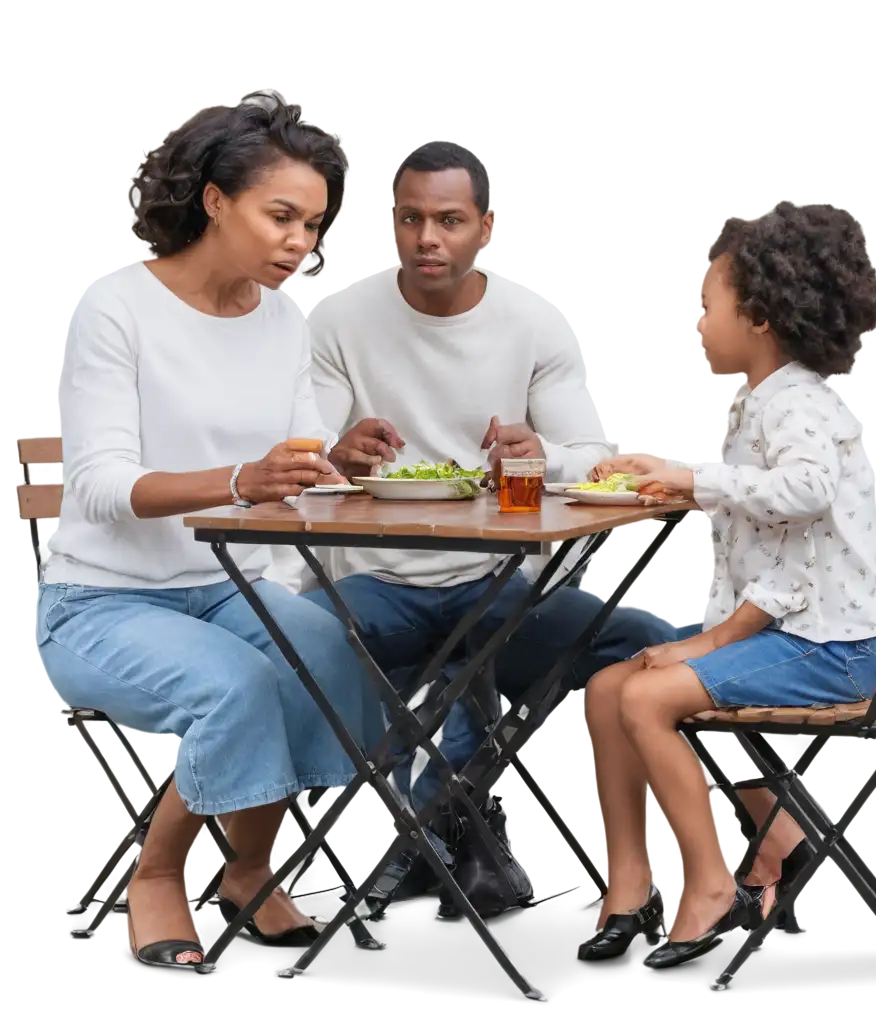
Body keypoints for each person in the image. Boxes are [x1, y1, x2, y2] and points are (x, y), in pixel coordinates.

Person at [265, 139, 680, 905]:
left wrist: (541, 452)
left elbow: (593, 454)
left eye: (449, 220)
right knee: (278, 645)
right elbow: (301, 452)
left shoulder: (536, 321)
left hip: (499, 583)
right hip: (377, 589)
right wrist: (335, 452)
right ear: (393, 223)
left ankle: (436, 826)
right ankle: (458, 822)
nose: (428, 238)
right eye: (411, 218)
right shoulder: (340, 320)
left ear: (485, 226)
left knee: (647, 642)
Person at [35, 94, 385, 972]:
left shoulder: (281, 319)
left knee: (329, 652)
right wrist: (240, 479)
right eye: (281, 217)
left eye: (311, 223)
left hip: (229, 585)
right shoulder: (115, 308)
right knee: (237, 684)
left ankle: (250, 874)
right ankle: (156, 879)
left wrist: (335, 462)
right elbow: (101, 485)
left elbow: (294, 457)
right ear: (215, 199)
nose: (299, 241)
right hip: (102, 604)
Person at [580, 201, 876, 970]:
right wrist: (687, 484)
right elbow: (781, 539)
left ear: (759, 317)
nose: (694, 324)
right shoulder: (766, 403)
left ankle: (714, 888)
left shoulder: (793, 405)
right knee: (605, 689)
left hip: (831, 650)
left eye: (703, 306)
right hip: (801, 632)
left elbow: (806, 490)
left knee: (648, 696)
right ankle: (629, 887)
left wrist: (697, 483)